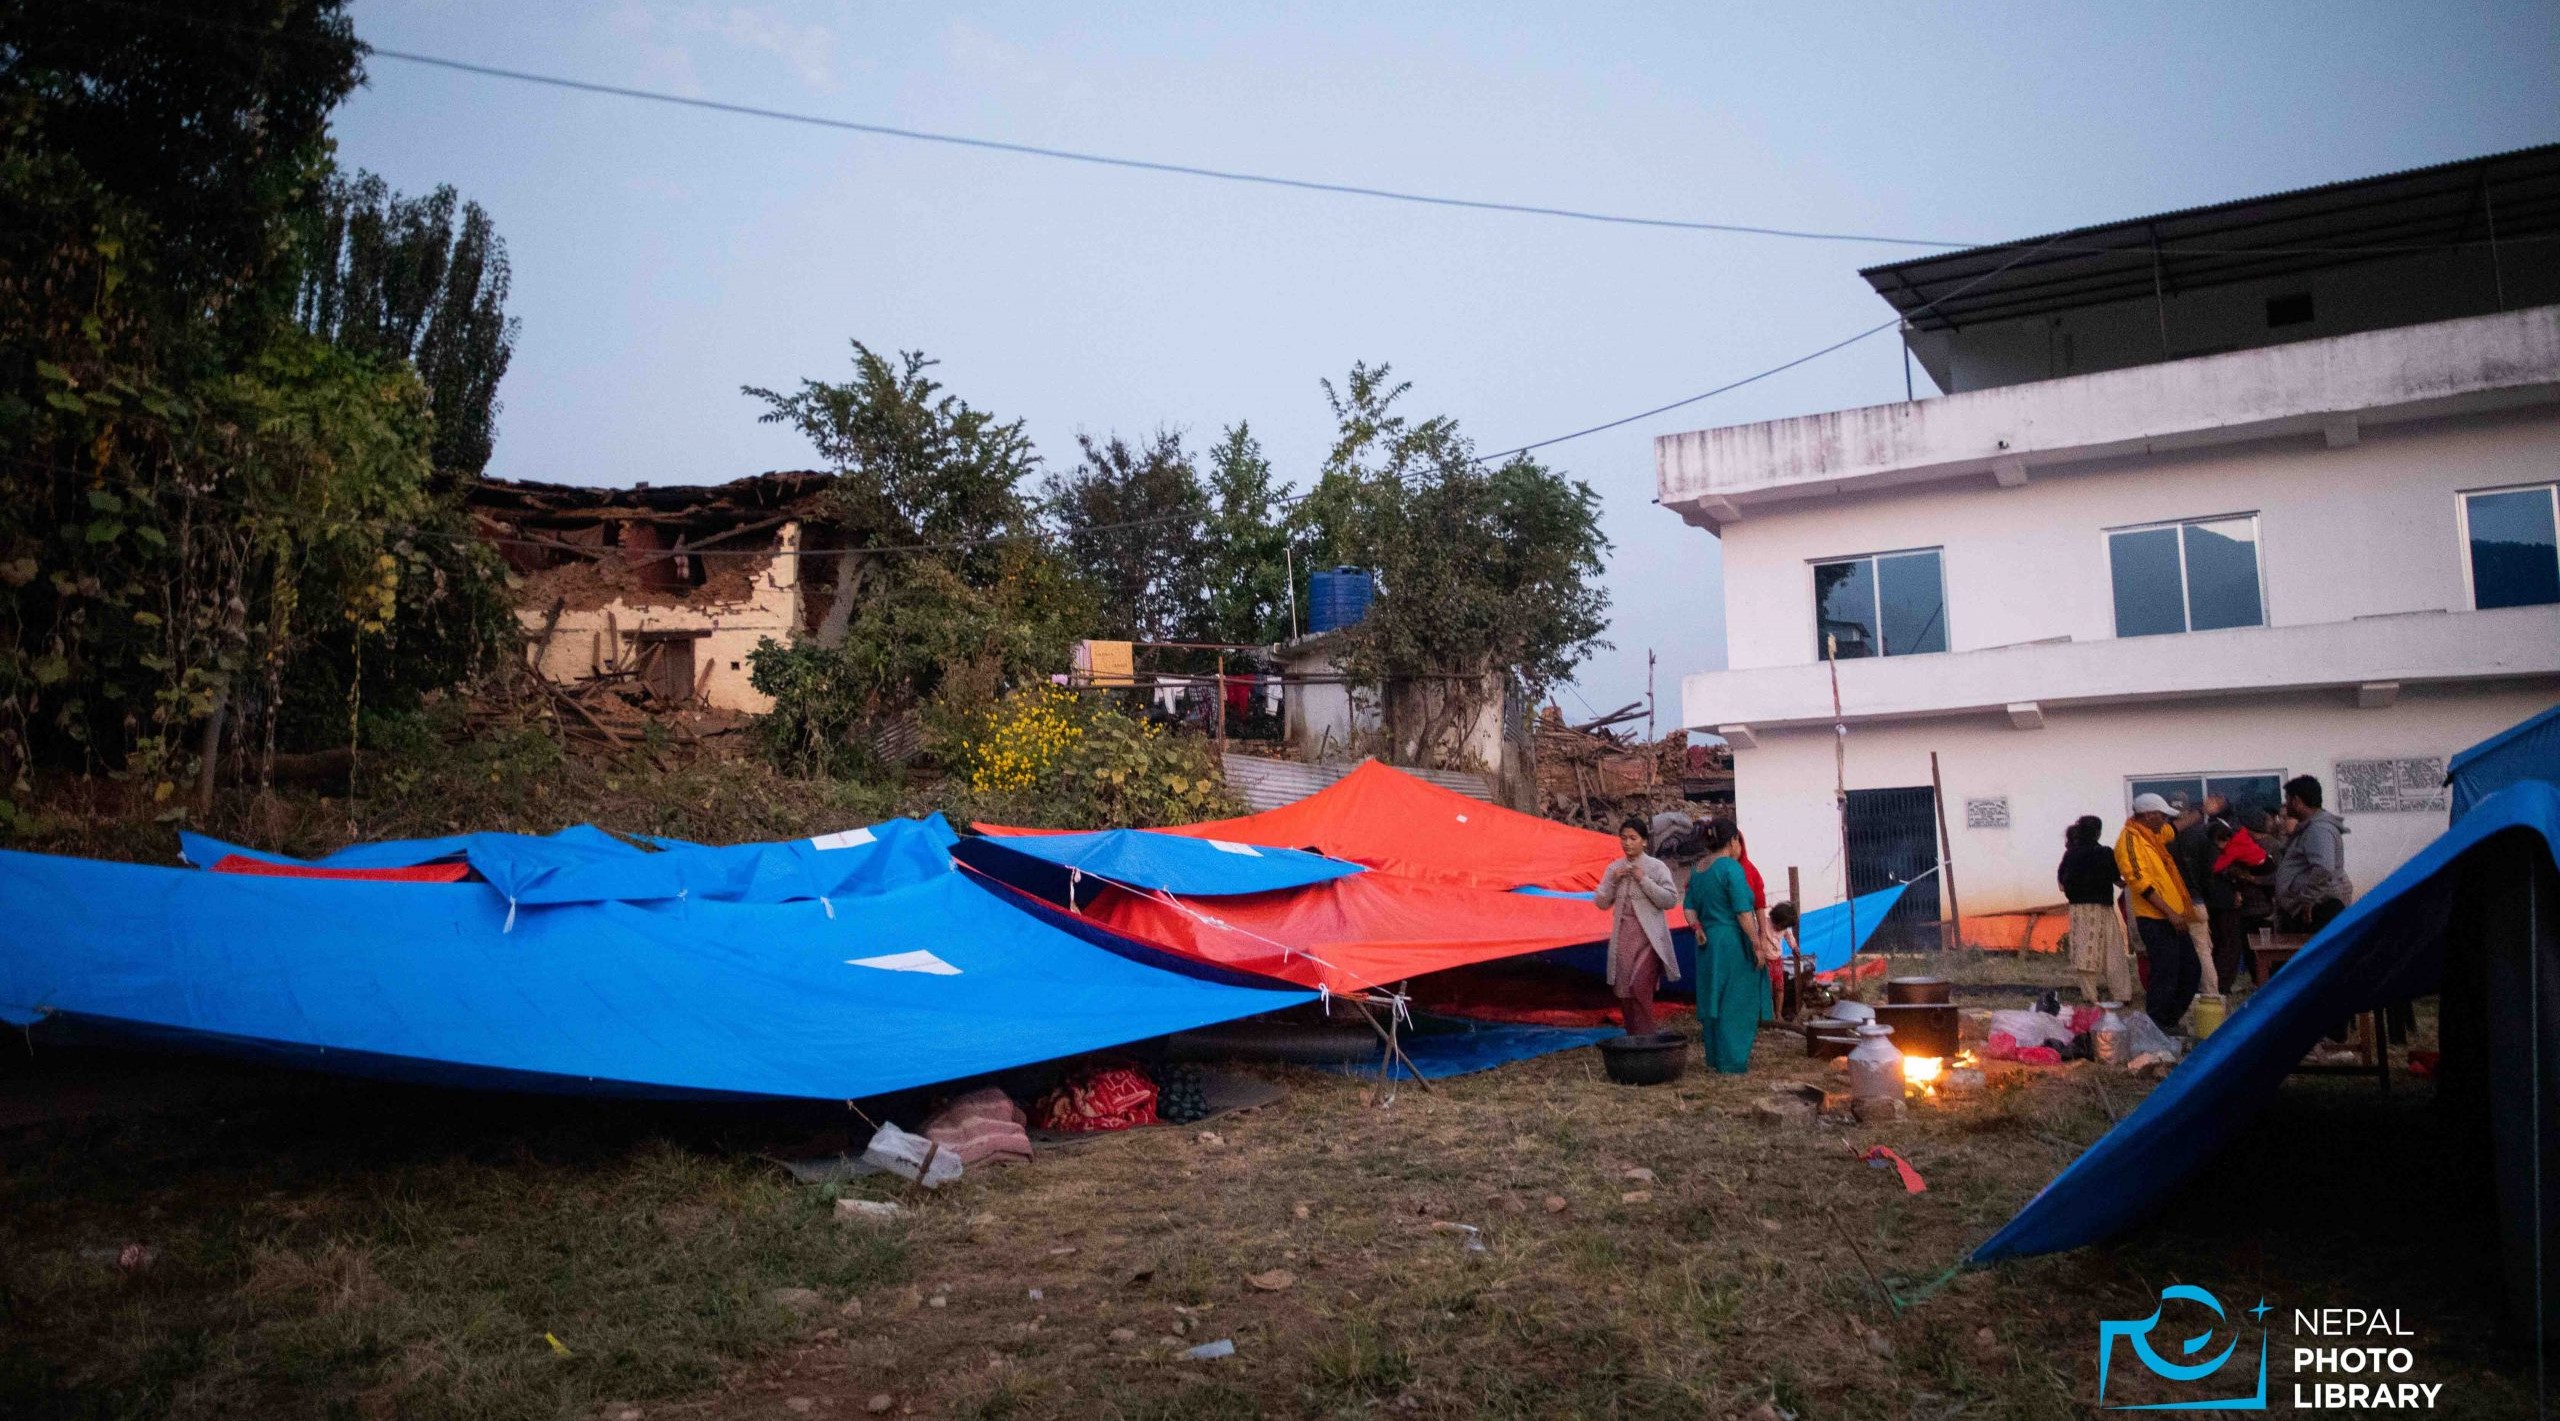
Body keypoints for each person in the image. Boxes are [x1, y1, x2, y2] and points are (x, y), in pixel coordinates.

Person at [1682, 817, 1772, 1073]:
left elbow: (1688, 907)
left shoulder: (1698, 869)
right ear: (1732, 841)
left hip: (1708, 944)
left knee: (1714, 998)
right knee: (1736, 1001)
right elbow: (1744, 912)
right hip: (1733, 941)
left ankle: (1715, 1058)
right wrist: (1756, 944)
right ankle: (1732, 1062)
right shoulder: (1731, 869)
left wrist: (1697, 928)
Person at [2116, 792, 2201, 1032]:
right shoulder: (2130, 841)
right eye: (2162, 815)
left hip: (2175, 916)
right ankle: (2157, 1024)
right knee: (2166, 972)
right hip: (2156, 918)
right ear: (2149, 815)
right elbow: (2142, 885)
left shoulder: (2153, 834)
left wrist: (2202, 812)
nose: (2165, 820)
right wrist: (2170, 914)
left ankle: (2169, 1020)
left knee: (2191, 969)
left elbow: (2175, 828)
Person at [1593, 817, 1680, 1036]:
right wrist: (1613, 880)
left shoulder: (1656, 867)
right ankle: (1634, 1040)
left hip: (1649, 939)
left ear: (1644, 842)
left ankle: (1647, 1039)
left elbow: (1669, 900)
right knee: (1624, 991)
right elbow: (1601, 902)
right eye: (1624, 838)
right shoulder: (1615, 868)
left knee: (1639, 986)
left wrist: (1644, 880)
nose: (1627, 843)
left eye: (1633, 838)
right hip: (1623, 939)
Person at [2057, 815, 2131, 1004]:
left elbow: (2062, 882)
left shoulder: (2070, 854)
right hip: (2102, 908)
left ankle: (2090, 996)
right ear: (2098, 832)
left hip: (2078, 910)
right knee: (2112, 952)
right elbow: (2117, 880)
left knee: (2085, 954)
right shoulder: (2105, 852)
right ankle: (2122, 995)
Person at [2275, 774, 2354, 931]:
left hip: (2317, 908)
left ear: (2296, 801)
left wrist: (2307, 900)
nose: (2286, 804)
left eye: (2288, 799)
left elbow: (2323, 869)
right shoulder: (2309, 828)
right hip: (2309, 906)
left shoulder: (2319, 829)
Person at [2168, 795, 2227, 999]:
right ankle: (2211, 993)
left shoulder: (2162, 837)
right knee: (2202, 949)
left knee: (2175, 951)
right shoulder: (2201, 836)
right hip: (2196, 900)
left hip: (2170, 904)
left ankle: (2182, 993)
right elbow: (2210, 871)